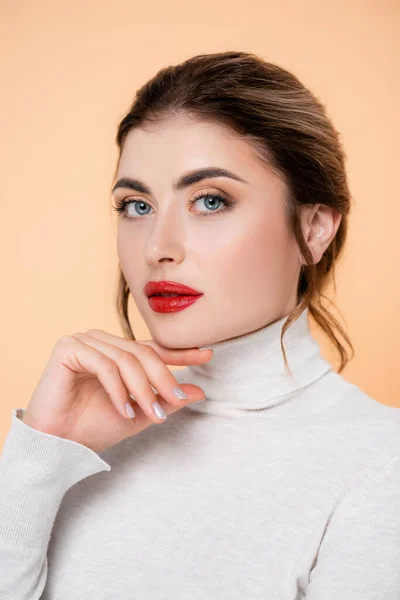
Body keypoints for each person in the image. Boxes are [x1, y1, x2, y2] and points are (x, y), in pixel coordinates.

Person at [0, 50, 399, 599]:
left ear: (313, 229)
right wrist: (38, 456)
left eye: (210, 200)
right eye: (136, 206)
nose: (159, 248)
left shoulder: (381, 468)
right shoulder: (72, 443)